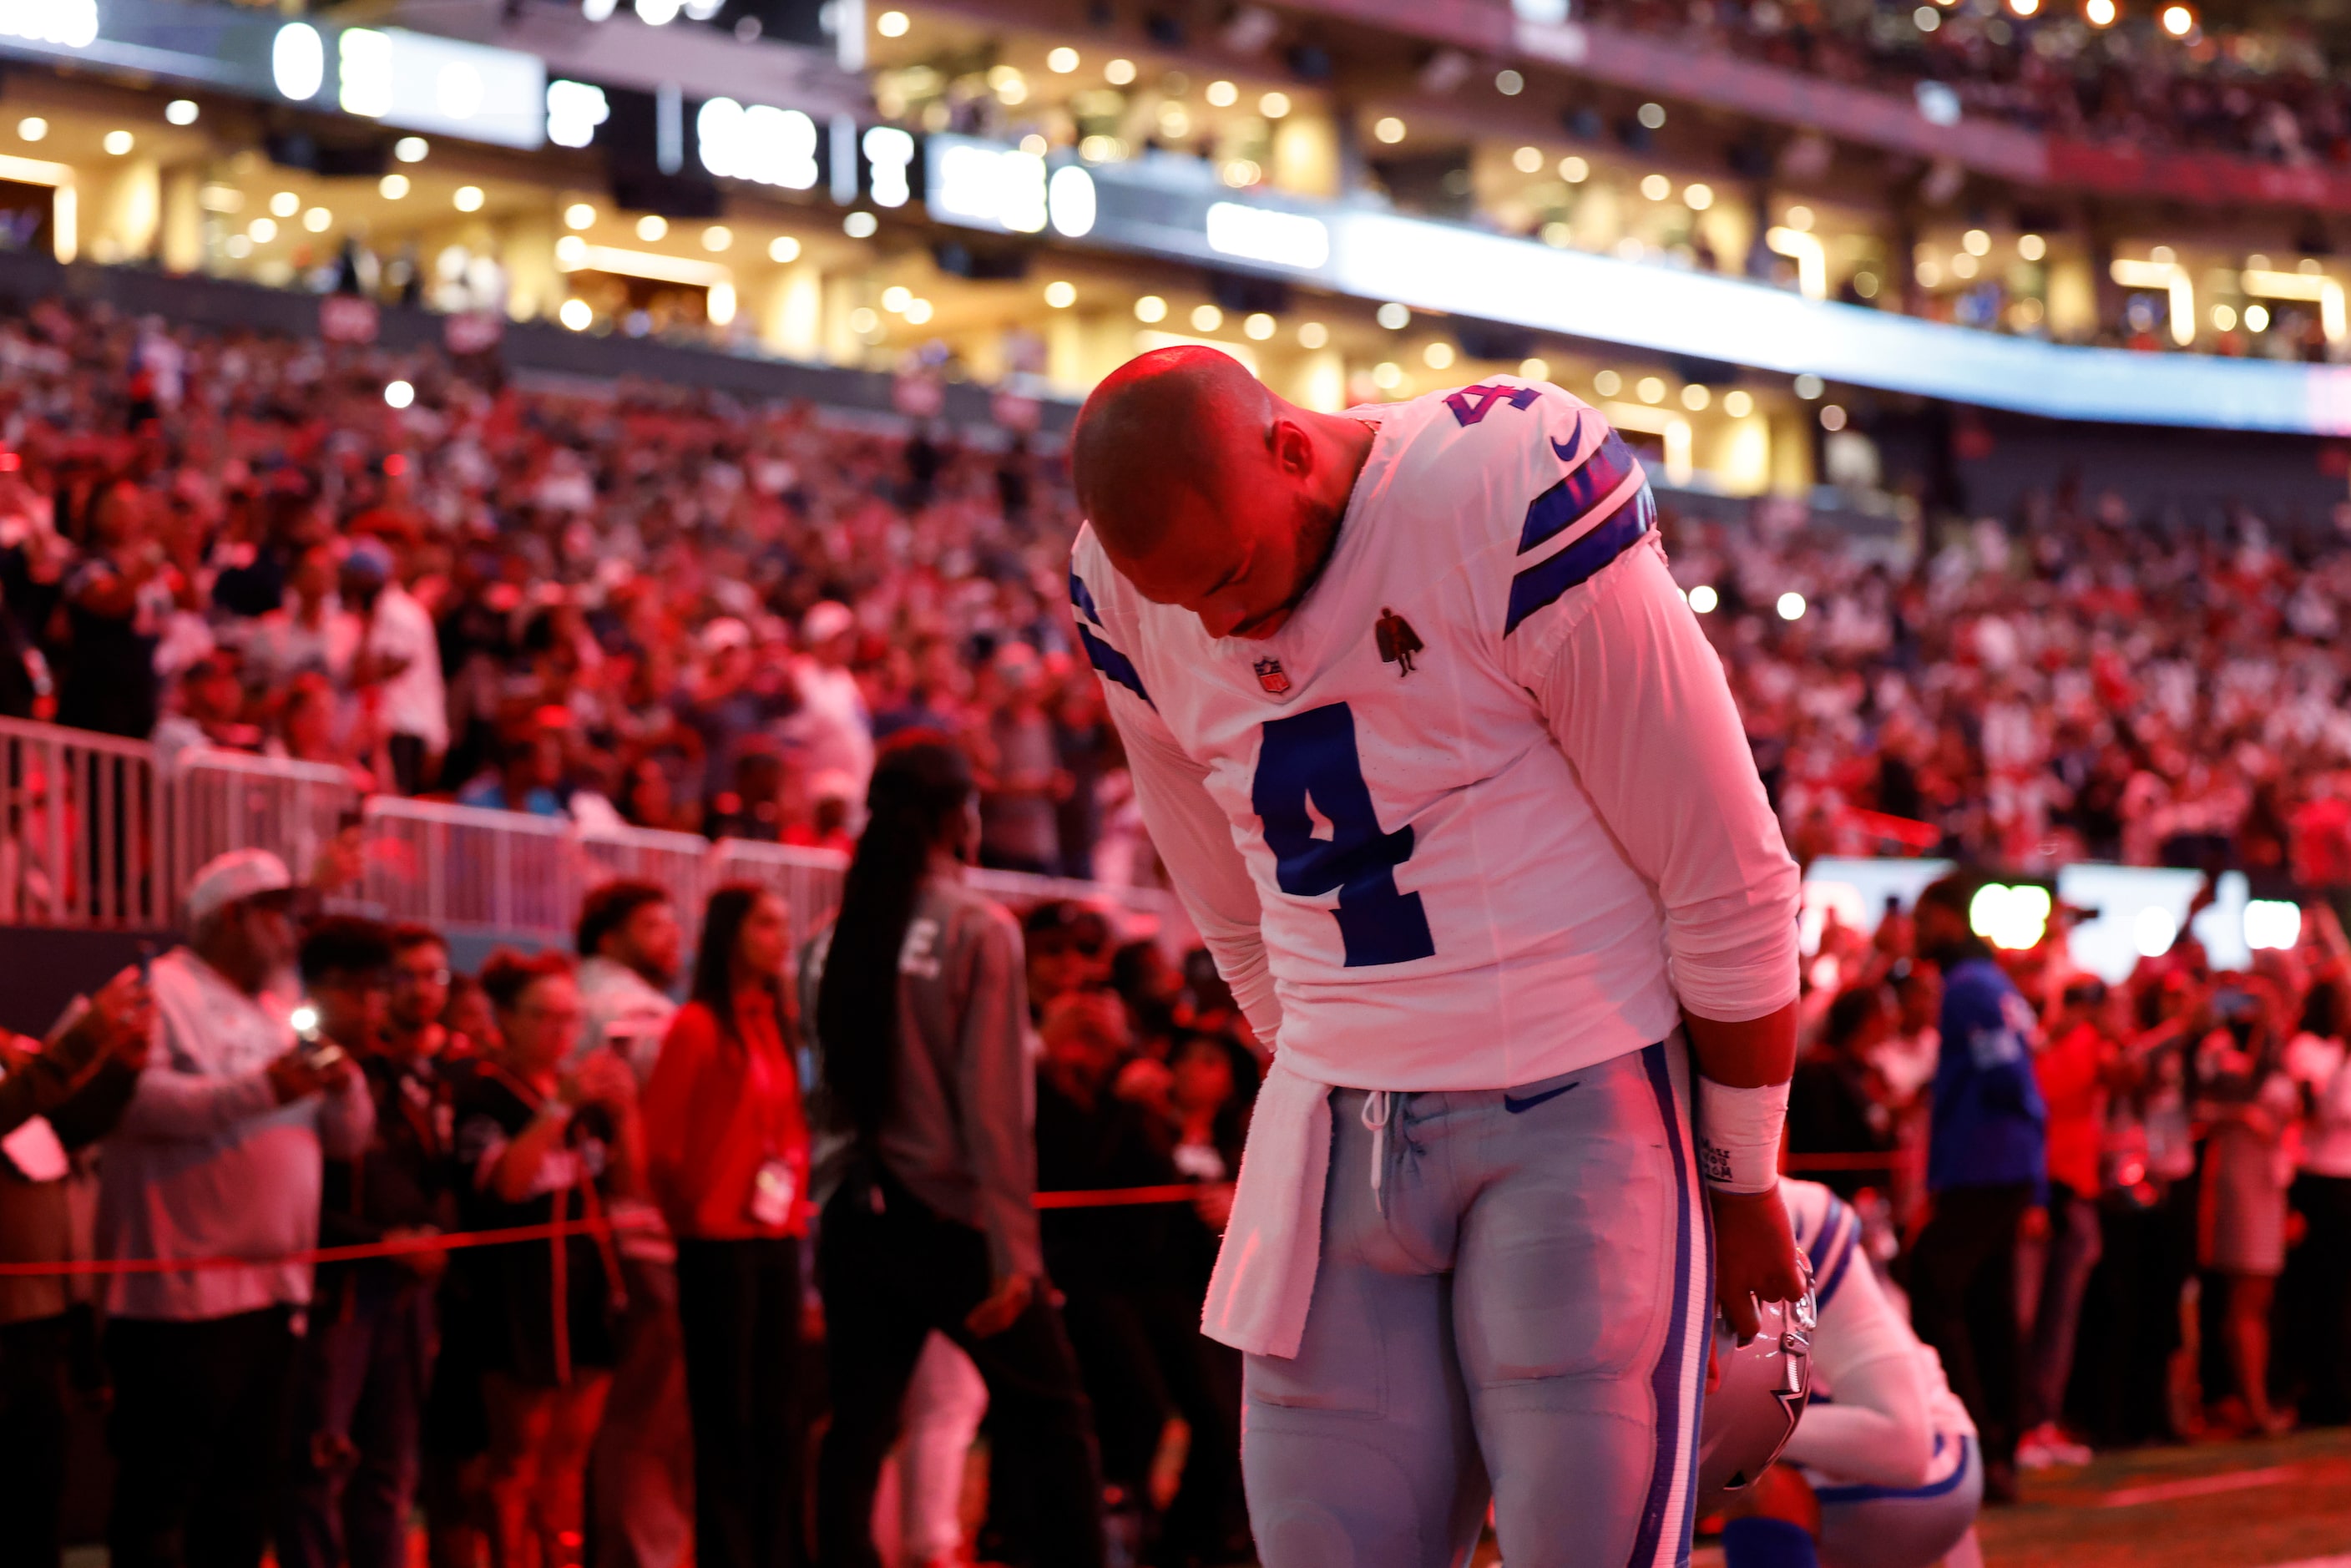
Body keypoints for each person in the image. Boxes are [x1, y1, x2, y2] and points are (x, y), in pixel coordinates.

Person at [1066, 348, 1804, 1566]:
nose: (1219, 623)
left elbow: (1727, 875)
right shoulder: (1127, 588)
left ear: (1291, 449)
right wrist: (1351, 1049)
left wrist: (1742, 1173)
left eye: (1235, 574)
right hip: (1334, 1132)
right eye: (1186, 598)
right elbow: (1236, 918)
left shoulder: (1497, 484)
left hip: (1573, 1105)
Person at [806, 734, 1107, 1568]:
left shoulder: (826, 939)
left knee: (857, 1428)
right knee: (1054, 1417)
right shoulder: (977, 927)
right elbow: (993, 1106)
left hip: (851, 1212)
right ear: (958, 818)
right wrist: (1016, 1255)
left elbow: (823, 1098)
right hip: (951, 1221)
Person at [101, 849, 376, 1568]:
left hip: (276, 1289)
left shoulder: (284, 1007)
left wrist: (344, 1086)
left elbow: (348, 1143)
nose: (292, 932)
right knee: (164, 1499)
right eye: (277, 914)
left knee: (245, 1496)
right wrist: (265, 1089)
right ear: (230, 917)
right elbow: (133, 1105)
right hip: (179, 1295)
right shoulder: (157, 991)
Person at [453, 951, 644, 1568]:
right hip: (518, 1302)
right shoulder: (482, 1095)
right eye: (546, 1017)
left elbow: (631, 1182)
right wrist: (558, 1106)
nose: (563, 1032)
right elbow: (506, 1182)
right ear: (505, 1018)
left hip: (586, 1294)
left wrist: (626, 1110)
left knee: (572, 1456)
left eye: (572, 1017)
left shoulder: (582, 1095)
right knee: (518, 1456)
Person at [643, 884, 813, 1568]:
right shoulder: (696, 1024)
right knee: (726, 1419)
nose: (782, 936)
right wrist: (692, 1216)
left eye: (783, 922)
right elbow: (661, 1147)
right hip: (716, 1244)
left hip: (776, 1238)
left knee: (779, 1414)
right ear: (731, 933)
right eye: (766, 923)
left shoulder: (775, 1021)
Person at [282, 918, 456, 1568]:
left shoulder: (395, 1078)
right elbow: (293, 1199)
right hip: (335, 1298)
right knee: (319, 1464)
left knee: (390, 1467)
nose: (374, 1003)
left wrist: (427, 1238)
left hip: (403, 1297)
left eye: (376, 987)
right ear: (318, 990)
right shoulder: (293, 1071)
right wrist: (380, 1242)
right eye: (359, 988)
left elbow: (418, 1180)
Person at [1716, 1179, 1983, 1568]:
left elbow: (1904, 1442)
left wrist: (1725, 1430)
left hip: (1925, 1466)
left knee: (1744, 1471)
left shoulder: (1795, 1221)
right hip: (1844, 1463)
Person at [0, 969, 152, 1568]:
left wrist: (121, 1070)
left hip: (37, 1322)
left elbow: (56, 1130)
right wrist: (86, 1041)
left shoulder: (10, 1052)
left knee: (36, 1503)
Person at [1904, 873, 2047, 1503]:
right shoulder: (1992, 982)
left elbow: (2004, 1073)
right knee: (1989, 1303)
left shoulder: (1967, 988)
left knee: (1930, 1282)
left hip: (1985, 1162)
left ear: (1945, 919)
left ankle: (1969, 1434)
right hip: (2005, 1161)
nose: (1913, 932)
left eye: (1921, 918)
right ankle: (1998, 1447)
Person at [572, 880, 695, 1568]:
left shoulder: (594, 997)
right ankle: (639, 1552)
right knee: (644, 1415)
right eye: (654, 925)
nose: (672, 938)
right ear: (609, 936)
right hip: (637, 1230)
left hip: (618, 1230)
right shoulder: (629, 1009)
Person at [340, 539, 448, 796]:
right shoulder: (362, 613)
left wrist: (437, 737)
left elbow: (379, 670)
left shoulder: (402, 614)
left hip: (403, 727)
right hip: (372, 728)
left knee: (389, 808)